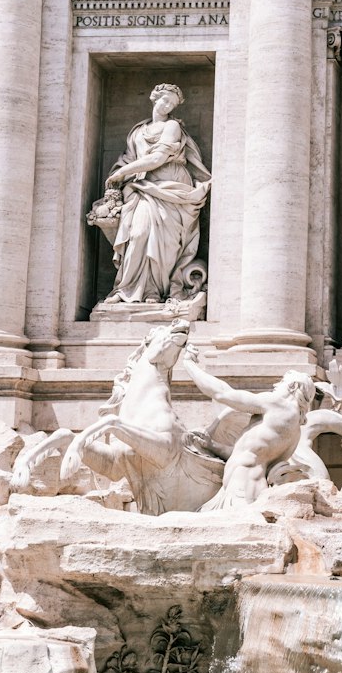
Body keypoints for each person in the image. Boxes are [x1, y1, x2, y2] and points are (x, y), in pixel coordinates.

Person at [101, 83, 211, 305]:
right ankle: (127, 289)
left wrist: (122, 173)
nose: (168, 105)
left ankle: (155, 292)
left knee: (166, 243)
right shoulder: (138, 131)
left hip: (172, 187)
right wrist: (123, 174)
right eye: (165, 100)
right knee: (139, 234)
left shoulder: (172, 126)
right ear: (154, 98)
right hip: (144, 187)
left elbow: (157, 159)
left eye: (172, 103)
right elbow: (131, 158)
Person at [181, 350, 316, 509]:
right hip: (247, 488)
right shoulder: (294, 432)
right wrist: (212, 446)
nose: (275, 387)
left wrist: (189, 365)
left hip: (242, 488)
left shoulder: (278, 403)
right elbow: (248, 454)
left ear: (293, 386)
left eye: (280, 383)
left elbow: (223, 393)